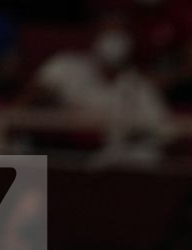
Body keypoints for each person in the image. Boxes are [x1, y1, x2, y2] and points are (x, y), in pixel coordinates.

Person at [25, 11, 171, 164]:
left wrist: (127, 136)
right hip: (60, 157)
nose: (113, 40)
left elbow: (165, 133)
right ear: (95, 35)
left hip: (112, 165)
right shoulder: (66, 66)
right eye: (108, 31)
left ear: (130, 40)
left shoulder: (142, 88)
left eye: (119, 33)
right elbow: (29, 100)